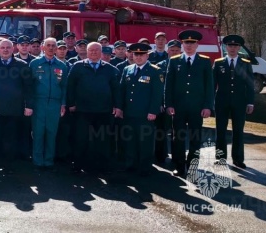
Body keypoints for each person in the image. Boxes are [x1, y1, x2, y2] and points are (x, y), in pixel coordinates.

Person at [67, 42, 122, 174]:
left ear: (101, 52)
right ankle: (78, 164)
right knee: (81, 139)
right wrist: (71, 103)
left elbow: (116, 89)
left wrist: (118, 106)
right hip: (82, 110)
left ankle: (102, 166)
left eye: (97, 50)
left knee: (102, 139)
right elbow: (70, 87)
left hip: (103, 111)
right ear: (86, 51)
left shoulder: (110, 69)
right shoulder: (77, 66)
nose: (93, 53)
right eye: (91, 50)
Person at [165, 30, 214, 178]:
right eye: (186, 43)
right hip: (178, 107)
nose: (189, 45)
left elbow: (209, 86)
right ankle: (180, 167)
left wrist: (207, 106)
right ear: (183, 44)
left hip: (197, 108)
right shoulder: (174, 61)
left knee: (195, 138)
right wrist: (169, 104)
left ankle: (192, 168)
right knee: (178, 138)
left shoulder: (205, 61)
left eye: (192, 43)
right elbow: (169, 85)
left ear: (197, 45)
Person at [0, 39, 32, 174]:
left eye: (8, 47)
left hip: (13, 110)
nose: (5, 50)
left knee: (10, 140)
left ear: (13, 49)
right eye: (2, 47)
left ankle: (9, 166)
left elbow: (28, 87)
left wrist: (29, 106)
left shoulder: (22, 66)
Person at [119, 43, 163, 176]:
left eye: (141, 54)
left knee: (145, 141)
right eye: (136, 54)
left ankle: (145, 166)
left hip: (145, 114)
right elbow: (122, 91)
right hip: (129, 112)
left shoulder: (155, 70)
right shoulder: (128, 69)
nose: (138, 57)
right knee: (130, 140)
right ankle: (130, 164)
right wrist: (120, 108)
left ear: (147, 55)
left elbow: (157, 94)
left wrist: (153, 111)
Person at [214, 34, 255, 169]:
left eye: (235, 46)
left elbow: (250, 85)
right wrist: (210, 102)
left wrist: (250, 103)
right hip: (222, 101)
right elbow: (213, 85)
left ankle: (238, 159)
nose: (232, 48)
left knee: (238, 130)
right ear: (226, 47)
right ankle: (220, 158)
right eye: (230, 46)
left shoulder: (246, 64)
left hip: (239, 102)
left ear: (239, 48)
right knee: (220, 130)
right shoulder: (219, 63)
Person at [29, 37, 68, 172]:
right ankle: (37, 161)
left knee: (52, 133)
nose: (51, 48)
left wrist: (63, 103)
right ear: (43, 47)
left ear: (57, 48)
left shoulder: (62, 65)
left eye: (53, 46)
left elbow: (64, 86)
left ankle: (49, 160)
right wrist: (30, 104)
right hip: (39, 103)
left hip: (55, 104)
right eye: (48, 45)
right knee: (38, 132)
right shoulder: (34, 63)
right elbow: (30, 86)